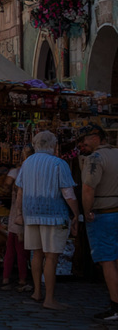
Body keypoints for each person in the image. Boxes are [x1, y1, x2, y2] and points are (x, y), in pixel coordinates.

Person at [16, 130, 79, 311]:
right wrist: (76, 214)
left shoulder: (27, 163)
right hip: (54, 214)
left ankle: (37, 292)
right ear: (54, 145)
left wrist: (19, 213)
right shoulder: (59, 164)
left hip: (31, 213)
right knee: (51, 257)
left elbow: (20, 191)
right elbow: (68, 193)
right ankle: (49, 299)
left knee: (37, 254)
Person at [77, 124, 118, 320]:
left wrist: (86, 212)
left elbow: (88, 189)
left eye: (84, 139)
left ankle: (116, 305)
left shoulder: (95, 158)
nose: (81, 143)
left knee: (107, 260)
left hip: (104, 212)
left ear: (96, 137)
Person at [0, 147, 33, 291]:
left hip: (14, 214)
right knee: (20, 250)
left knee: (11, 249)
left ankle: (6, 278)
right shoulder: (28, 173)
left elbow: (5, 187)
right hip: (21, 214)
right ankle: (22, 279)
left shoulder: (17, 171)